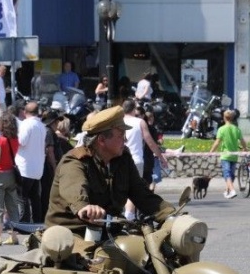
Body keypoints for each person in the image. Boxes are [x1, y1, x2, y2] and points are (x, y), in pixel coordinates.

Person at [45, 105, 175, 254]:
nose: (125, 140)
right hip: (71, 234)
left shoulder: (123, 160)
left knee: (148, 254)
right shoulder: (75, 161)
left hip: (109, 232)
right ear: (101, 140)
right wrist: (84, 207)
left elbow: (143, 195)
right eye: (121, 135)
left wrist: (172, 216)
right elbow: (74, 187)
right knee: (99, 261)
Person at [123, 99, 168, 217]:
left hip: (120, 159)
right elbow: (151, 143)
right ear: (134, 109)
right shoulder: (140, 122)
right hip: (136, 160)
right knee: (133, 190)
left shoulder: (118, 121)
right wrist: (161, 157)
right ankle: (129, 217)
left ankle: (125, 215)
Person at [0, 113, 21, 247]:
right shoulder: (16, 140)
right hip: (11, 174)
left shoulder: (0, 140)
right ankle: (14, 236)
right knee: (12, 207)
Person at [15, 101, 46, 223]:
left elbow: (21, 142)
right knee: (35, 198)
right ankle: (37, 222)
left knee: (22, 197)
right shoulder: (41, 126)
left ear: (24, 112)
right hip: (37, 168)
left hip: (25, 166)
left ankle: (24, 223)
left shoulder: (26, 124)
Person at [208, 109, 247, 199]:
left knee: (227, 174)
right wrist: (245, 149)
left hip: (225, 156)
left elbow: (217, 142)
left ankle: (232, 191)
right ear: (232, 118)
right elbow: (242, 141)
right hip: (234, 156)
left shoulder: (221, 129)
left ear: (224, 118)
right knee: (231, 175)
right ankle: (227, 191)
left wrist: (211, 152)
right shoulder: (236, 129)